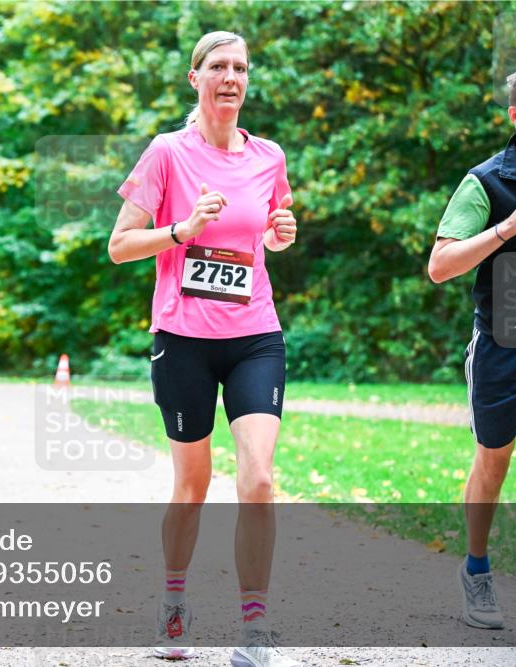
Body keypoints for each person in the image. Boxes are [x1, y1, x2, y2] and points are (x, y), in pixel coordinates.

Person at [109, 31, 298, 667]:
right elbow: (119, 245)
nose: (231, 77)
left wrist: (280, 233)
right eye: (218, 66)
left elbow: (269, 232)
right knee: (192, 484)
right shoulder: (167, 153)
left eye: (241, 67)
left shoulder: (268, 156)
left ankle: (253, 625)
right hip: (184, 341)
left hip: (254, 338)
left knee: (260, 480)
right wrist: (180, 230)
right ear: (196, 78)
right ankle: (172, 598)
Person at [427, 55, 516, 638]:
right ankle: (477, 567)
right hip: (504, 345)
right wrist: (505, 229)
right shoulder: (486, 181)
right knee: (494, 461)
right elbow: (439, 266)